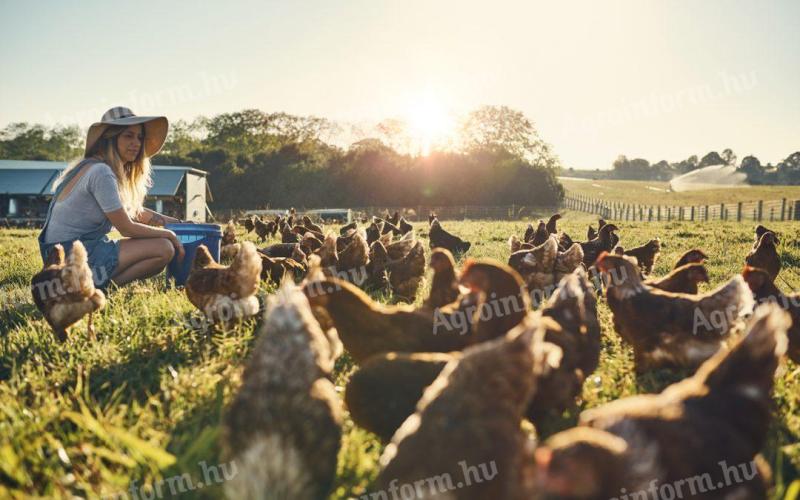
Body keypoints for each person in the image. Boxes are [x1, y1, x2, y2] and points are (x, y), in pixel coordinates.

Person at [38, 106, 185, 288]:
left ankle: (88, 285)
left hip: (57, 257)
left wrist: (177, 223)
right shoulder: (101, 172)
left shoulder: (90, 166)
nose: (137, 143)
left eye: (140, 137)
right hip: (72, 255)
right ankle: (92, 288)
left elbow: (132, 212)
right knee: (164, 248)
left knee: (161, 245)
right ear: (110, 138)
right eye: (128, 136)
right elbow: (126, 227)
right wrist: (169, 234)